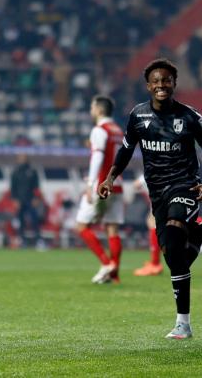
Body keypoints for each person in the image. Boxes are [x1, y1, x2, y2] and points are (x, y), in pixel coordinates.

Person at [98, 58, 202, 340]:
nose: (161, 85)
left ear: (174, 83)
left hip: (185, 186)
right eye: (156, 81)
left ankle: (183, 324)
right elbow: (126, 152)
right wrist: (109, 178)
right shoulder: (137, 116)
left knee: (177, 231)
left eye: (166, 80)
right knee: (175, 258)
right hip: (157, 192)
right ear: (148, 85)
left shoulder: (190, 117)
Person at [75, 96, 126, 284]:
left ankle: (106, 264)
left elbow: (98, 157)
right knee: (112, 228)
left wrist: (90, 185)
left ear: (98, 109)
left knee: (82, 226)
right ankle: (115, 275)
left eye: (91, 106)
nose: (90, 110)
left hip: (101, 185)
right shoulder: (117, 131)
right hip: (117, 183)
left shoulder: (99, 130)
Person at [131, 175, 163, 277]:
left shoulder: (158, 160)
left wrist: (139, 181)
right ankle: (155, 261)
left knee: (153, 223)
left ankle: (155, 264)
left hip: (161, 194)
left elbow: (137, 184)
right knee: (155, 223)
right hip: (174, 191)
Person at [10, 154, 43, 248]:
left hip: (30, 199)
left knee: (34, 220)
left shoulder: (32, 171)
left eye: (24, 158)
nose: (22, 160)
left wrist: (36, 198)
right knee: (20, 221)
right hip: (20, 200)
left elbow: (36, 186)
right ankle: (21, 240)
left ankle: (38, 240)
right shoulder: (15, 172)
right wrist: (15, 200)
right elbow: (13, 188)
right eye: (20, 158)